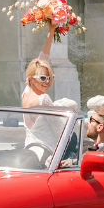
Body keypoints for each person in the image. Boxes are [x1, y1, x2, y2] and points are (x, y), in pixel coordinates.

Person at [21, 20, 62, 157]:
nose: (47, 82)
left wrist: (51, 32)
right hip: (48, 156)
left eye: (50, 77)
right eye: (43, 78)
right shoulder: (43, 99)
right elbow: (60, 130)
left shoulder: (26, 93)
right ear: (32, 80)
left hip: (30, 151)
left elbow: (43, 59)